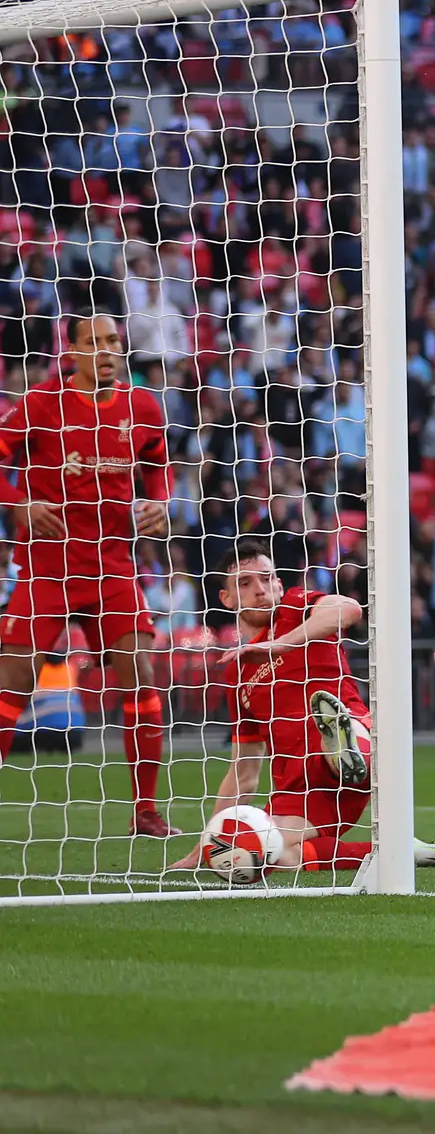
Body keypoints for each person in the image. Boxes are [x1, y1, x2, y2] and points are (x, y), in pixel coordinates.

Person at [171, 540, 435, 874]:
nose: (260, 589)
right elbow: (243, 773)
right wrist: (207, 844)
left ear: (280, 584)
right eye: (245, 583)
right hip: (300, 787)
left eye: (267, 578)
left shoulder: (298, 606)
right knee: (261, 854)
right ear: (226, 599)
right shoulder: (237, 672)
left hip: (357, 745)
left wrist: (277, 644)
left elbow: (350, 610)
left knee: (341, 726)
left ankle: (343, 746)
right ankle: (401, 851)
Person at [0, 315, 178, 837]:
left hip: (113, 567)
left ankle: (145, 810)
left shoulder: (142, 405)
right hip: (48, 569)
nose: (105, 351)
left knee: (142, 675)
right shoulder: (40, 403)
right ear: (71, 352)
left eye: (112, 342)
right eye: (93, 342)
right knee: (12, 682)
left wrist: (160, 503)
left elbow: (160, 465)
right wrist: (18, 503)